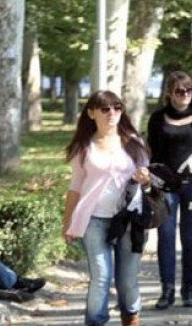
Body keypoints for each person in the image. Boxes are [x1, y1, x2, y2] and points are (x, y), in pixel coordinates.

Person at [61, 91, 150, 326]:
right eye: (105, 109)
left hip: (130, 219)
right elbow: (75, 187)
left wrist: (144, 177)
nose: (112, 113)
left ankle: (131, 317)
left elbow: (149, 175)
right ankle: (95, 322)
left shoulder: (134, 142)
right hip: (94, 220)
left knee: (127, 280)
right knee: (101, 277)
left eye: (117, 108)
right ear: (91, 113)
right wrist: (68, 222)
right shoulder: (84, 147)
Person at [147, 71, 192, 310]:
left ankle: (189, 288)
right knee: (166, 236)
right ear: (169, 93)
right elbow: (152, 152)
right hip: (165, 185)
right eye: (179, 91)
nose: (185, 95)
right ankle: (167, 290)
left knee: (191, 237)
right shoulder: (158, 118)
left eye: (189, 90)